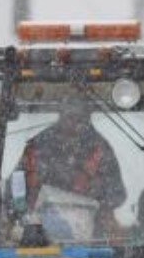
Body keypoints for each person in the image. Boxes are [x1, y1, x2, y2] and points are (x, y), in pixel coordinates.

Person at [15, 101, 126, 241]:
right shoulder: (38, 145)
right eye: (70, 115)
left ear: (87, 116)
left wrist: (96, 196)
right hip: (37, 238)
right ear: (61, 114)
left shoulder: (99, 148)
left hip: (89, 239)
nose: (74, 122)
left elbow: (116, 194)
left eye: (79, 117)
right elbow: (14, 193)